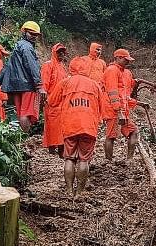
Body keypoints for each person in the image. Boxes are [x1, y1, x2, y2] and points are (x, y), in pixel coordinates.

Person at [48, 57, 106, 197]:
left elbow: (52, 102)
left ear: (71, 68)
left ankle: (68, 191)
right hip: (89, 127)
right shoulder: (94, 85)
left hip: (70, 126)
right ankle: (80, 192)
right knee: (84, 160)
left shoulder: (65, 82)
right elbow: (101, 108)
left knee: (69, 159)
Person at [0, 21, 45, 132]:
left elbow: (8, 65)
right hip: (27, 85)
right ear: (24, 32)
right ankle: (25, 137)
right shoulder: (27, 47)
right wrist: (39, 85)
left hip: (16, 86)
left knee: (20, 112)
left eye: (35, 35)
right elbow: (31, 65)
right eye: (31, 34)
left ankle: (21, 137)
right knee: (25, 113)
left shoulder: (18, 46)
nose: (33, 37)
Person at [102, 49, 144, 162]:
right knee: (111, 135)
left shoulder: (126, 73)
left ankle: (129, 160)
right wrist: (118, 111)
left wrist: (138, 103)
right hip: (112, 109)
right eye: (125, 59)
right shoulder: (111, 71)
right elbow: (112, 92)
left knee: (134, 131)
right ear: (117, 58)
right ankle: (108, 162)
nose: (128, 62)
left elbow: (125, 94)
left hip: (122, 110)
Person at [41, 43, 68, 156]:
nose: (61, 54)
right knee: (51, 125)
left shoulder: (62, 67)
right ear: (54, 52)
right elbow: (44, 82)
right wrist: (45, 96)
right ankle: (52, 150)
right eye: (59, 52)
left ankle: (61, 150)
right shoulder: (48, 65)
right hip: (51, 101)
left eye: (62, 52)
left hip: (62, 101)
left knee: (62, 125)